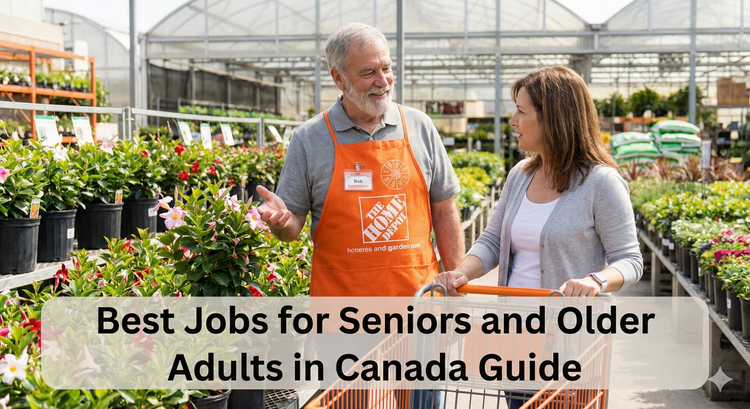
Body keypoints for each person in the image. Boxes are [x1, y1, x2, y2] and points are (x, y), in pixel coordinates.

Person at [256, 22, 463, 408]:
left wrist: (457, 283)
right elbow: (293, 223)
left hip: (418, 305)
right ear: (339, 78)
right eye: (368, 72)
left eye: (386, 68)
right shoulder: (310, 139)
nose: (382, 80)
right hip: (344, 314)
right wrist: (283, 223)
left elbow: (445, 210)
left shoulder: (419, 126)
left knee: (421, 401)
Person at [432, 66, 643, 408]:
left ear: (553, 120)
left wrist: (596, 280)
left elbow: (630, 261)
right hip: (515, 341)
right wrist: (463, 272)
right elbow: (491, 241)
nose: (513, 121)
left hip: (570, 346)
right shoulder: (520, 175)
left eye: (521, 111)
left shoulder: (601, 184)